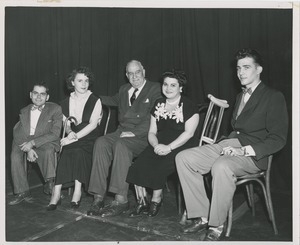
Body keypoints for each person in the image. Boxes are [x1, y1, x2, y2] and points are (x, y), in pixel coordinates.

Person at [175, 48, 288, 241]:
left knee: (222, 165)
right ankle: (201, 215)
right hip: (230, 144)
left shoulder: (273, 96)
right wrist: (224, 143)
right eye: (238, 68)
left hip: (253, 154)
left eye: (246, 67)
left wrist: (242, 150)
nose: (240, 73)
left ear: (259, 69)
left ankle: (216, 223)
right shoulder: (239, 96)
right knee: (184, 158)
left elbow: (278, 139)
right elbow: (238, 130)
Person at [87, 60, 162, 217]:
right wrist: (89, 96)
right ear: (126, 75)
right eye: (130, 73)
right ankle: (98, 196)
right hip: (122, 132)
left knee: (121, 144)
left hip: (144, 136)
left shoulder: (155, 89)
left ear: (144, 72)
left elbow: (154, 117)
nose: (134, 77)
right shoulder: (124, 89)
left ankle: (121, 200)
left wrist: (135, 133)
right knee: (101, 142)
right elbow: (112, 100)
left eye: (137, 72)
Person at [126, 69, 199, 217]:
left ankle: (156, 199)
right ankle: (142, 201)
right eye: (165, 84)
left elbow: (189, 133)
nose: (168, 88)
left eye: (173, 85)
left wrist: (169, 147)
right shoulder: (158, 103)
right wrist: (155, 145)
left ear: (181, 88)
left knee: (159, 166)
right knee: (137, 166)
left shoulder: (189, 105)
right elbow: (152, 132)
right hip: (160, 143)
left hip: (182, 144)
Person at [47, 67, 102, 211]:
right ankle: (56, 192)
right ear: (72, 82)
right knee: (66, 150)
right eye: (80, 80)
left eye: (86, 80)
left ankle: (77, 190)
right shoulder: (65, 102)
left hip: (89, 136)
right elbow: (67, 123)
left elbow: (92, 125)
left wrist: (74, 137)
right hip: (73, 135)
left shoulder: (95, 100)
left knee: (76, 149)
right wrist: (70, 132)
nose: (84, 84)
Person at [8, 82, 63, 205]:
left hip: (46, 138)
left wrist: (33, 143)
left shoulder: (55, 109)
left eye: (42, 94)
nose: (38, 97)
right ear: (30, 95)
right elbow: (17, 131)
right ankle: (22, 192)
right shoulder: (24, 110)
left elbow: (55, 133)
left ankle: (50, 183)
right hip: (24, 139)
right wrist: (28, 148)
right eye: (35, 93)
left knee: (48, 150)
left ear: (47, 97)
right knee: (15, 155)